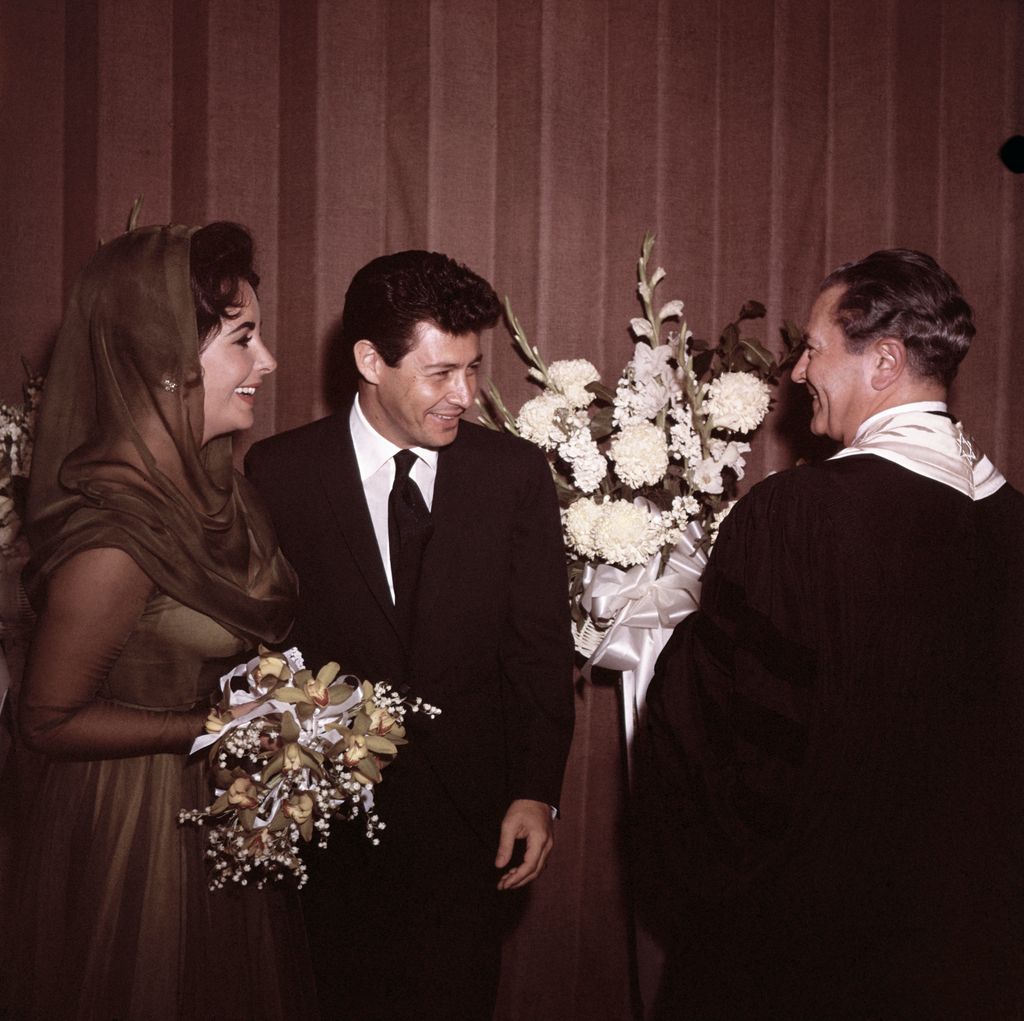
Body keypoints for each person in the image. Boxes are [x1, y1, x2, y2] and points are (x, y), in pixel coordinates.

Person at [639, 249, 1024, 1019]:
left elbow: (724, 745)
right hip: (975, 951)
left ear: (884, 361)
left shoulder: (796, 516)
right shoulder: (1012, 521)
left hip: (809, 949)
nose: (795, 371)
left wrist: (680, 642)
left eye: (813, 348)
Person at [245, 249, 575, 1020]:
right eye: (440, 373)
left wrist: (536, 790)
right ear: (369, 359)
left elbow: (538, 647)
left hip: (472, 826)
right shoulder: (278, 472)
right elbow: (258, 651)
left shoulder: (514, 474)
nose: (465, 394)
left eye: (472, 368)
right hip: (330, 827)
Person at [5, 223, 315, 1020]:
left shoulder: (221, 488)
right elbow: (43, 719)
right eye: (243, 339)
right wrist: (210, 726)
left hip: (209, 801)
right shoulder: (115, 534)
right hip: (131, 830)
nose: (268, 361)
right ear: (168, 358)